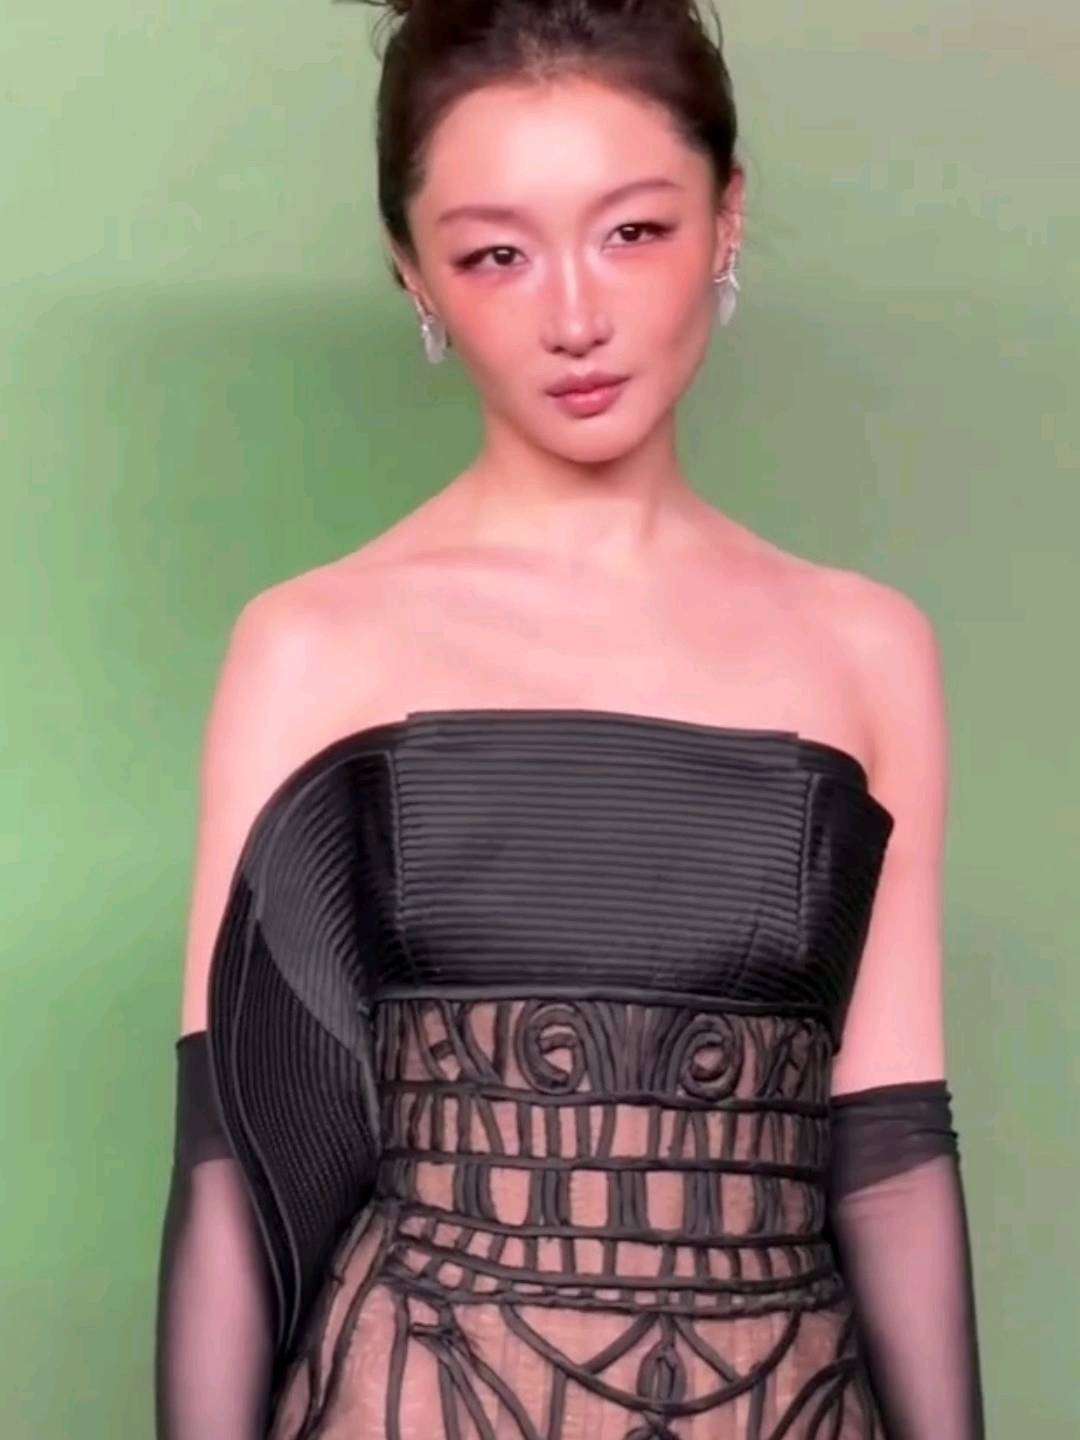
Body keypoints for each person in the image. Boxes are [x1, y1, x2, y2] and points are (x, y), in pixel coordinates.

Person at [154, 1, 986, 1435]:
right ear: (413, 272)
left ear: (728, 219)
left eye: (633, 232)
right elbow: (232, 1161)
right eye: (497, 254)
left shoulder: (870, 649)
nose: (576, 316)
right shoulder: (311, 645)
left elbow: (891, 1157)